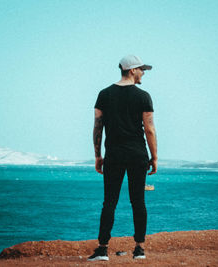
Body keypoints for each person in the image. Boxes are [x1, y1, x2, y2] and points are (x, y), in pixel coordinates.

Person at [88, 55, 158, 261]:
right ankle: (140, 249)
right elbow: (150, 129)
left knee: (109, 201)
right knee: (138, 201)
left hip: (114, 155)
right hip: (137, 155)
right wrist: (154, 157)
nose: (143, 73)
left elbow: (97, 127)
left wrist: (97, 155)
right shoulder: (143, 96)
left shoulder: (104, 94)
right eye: (141, 69)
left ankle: (102, 249)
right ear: (132, 70)